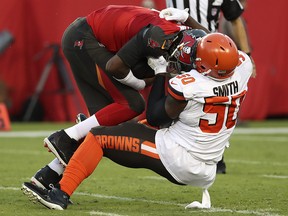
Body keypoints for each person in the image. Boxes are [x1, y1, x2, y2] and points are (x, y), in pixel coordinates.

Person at [22, 32, 253, 210]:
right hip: (206, 160)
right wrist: (189, 20)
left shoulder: (191, 86)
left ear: (206, 66)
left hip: (179, 158)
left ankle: (60, 194)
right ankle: (49, 175)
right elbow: (218, 45)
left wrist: (162, 71)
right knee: (117, 130)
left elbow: (156, 116)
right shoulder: (242, 67)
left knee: (98, 138)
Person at [27, 5, 209, 193]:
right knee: (132, 104)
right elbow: (115, 67)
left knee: (101, 128)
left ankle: (47, 175)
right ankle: (64, 137)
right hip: (85, 39)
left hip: (95, 39)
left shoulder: (186, 34)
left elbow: (211, 40)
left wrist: (187, 17)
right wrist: (141, 83)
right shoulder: (157, 36)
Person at [160, 1, 256, 173]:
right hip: (177, 53)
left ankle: (214, 158)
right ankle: (179, 156)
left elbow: (235, 18)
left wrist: (247, 53)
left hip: (210, 57)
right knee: (175, 109)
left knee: (211, 106)